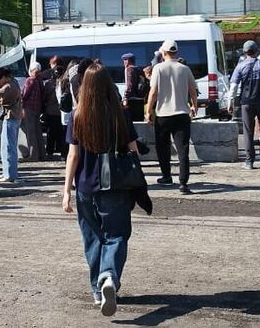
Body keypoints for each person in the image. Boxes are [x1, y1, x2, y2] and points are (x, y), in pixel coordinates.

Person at [62, 62, 149, 317]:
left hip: (85, 186)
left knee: (93, 238)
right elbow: (133, 150)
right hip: (116, 185)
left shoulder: (77, 116)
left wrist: (66, 191)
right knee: (117, 235)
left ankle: (98, 291)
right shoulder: (120, 114)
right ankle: (109, 276)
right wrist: (138, 181)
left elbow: (73, 156)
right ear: (109, 85)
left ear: (84, 86)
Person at [146, 40, 198, 194]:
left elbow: (153, 92)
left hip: (163, 114)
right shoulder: (185, 69)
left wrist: (149, 110)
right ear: (176, 52)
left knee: (163, 147)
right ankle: (183, 183)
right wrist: (194, 105)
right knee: (183, 150)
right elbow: (193, 90)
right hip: (182, 114)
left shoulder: (158, 68)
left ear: (163, 53)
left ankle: (166, 176)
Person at [228, 40, 260, 170]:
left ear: (244, 52)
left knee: (248, 131)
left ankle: (249, 161)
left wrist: (230, 102)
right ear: (256, 51)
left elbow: (233, 86)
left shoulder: (240, 66)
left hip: (246, 102)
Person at [0, 67, 23, 183]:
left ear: (4, 77)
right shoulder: (14, 82)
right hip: (15, 116)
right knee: (8, 147)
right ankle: (7, 171)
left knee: (8, 147)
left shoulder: (8, 86)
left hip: (10, 117)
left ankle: (9, 174)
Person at [21, 62, 45, 162]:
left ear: (31, 70)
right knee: (38, 132)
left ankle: (33, 156)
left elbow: (24, 94)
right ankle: (42, 154)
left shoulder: (30, 80)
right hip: (37, 109)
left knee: (31, 133)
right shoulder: (40, 80)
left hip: (29, 108)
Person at [43, 57, 66, 160]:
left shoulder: (49, 83)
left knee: (51, 132)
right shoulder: (65, 82)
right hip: (61, 111)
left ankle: (50, 151)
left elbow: (44, 97)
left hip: (51, 111)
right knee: (61, 132)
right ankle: (61, 150)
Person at [122, 53, 144, 121]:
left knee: (129, 121)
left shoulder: (129, 69)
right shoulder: (138, 69)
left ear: (128, 61)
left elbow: (129, 86)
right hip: (140, 98)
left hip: (131, 99)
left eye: (125, 60)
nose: (124, 62)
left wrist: (125, 98)